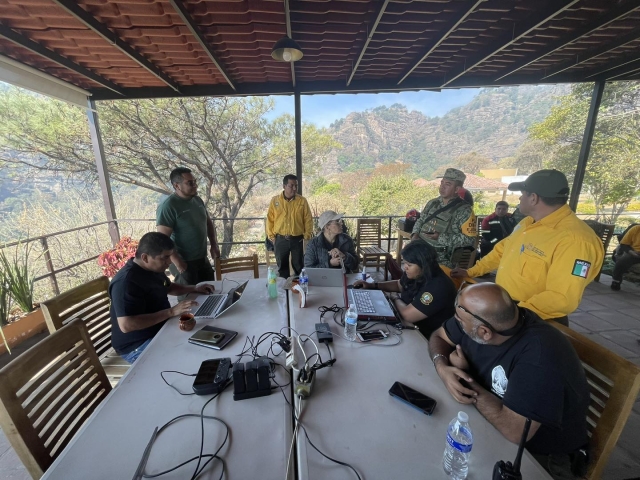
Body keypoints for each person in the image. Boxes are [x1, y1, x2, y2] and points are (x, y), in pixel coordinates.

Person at [429, 283, 589, 480]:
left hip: (539, 455)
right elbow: (439, 336)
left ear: (484, 333)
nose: (456, 323)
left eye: (460, 322)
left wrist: (464, 378)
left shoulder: (540, 355)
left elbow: (514, 430)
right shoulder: (486, 316)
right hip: (486, 422)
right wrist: (442, 367)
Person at [451, 169, 603, 325]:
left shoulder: (575, 240)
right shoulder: (528, 223)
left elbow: (561, 298)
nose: (519, 198)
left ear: (533, 198)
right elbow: (502, 251)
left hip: (533, 319)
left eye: (523, 193)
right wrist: (471, 271)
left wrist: (513, 315)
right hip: (508, 310)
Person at [109, 232, 215, 363]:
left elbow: (169, 287)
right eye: (165, 258)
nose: (169, 262)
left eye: (170, 256)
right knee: (188, 359)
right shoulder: (126, 282)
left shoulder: (152, 270)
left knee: (206, 340)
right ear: (145, 257)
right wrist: (171, 312)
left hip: (161, 329)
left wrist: (194, 288)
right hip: (137, 345)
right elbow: (126, 325)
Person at [353, 240, 457, 337]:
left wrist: (394, 297)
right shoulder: (417, 273)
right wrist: (373, 285)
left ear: (424, 265)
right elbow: (399, 285)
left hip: (423, 336)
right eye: (405, 263)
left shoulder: (438, 286)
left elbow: (407, 315)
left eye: (409, 264)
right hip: (407, 324)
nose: (405, 267)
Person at [156, 167, 220, 287]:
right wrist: (177, 261)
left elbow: (208, 223)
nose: (195, 185)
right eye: (190, 183)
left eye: (195, 182)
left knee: (210, 291)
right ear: (177, 186)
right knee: (189, 299)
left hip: (202, 258)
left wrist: (214, 244)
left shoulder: (197, 200)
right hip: (183, 261)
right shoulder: (168, 206)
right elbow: (162, 239)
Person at [411, 168, 476, 268]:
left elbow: (470, 239)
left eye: (448, 184)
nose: (442, 187)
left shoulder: (464, 211)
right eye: (442, 183)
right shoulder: (433, 203)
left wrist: (440, 237)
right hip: (422, 252)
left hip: (442, 260)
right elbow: (421, 219)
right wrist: (414, 235)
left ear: (457, 189)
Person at [266, 174, 313, 278]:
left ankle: (299, 289)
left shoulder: (302, 201)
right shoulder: (275, 201)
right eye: (291, 186)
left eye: (296, 185)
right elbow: (270, 219)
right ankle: (284, 290)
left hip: (298, 239)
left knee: (298, 265)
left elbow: (308, 219)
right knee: (282, 267)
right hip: (280, 239)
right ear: (284, 186)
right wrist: (271, 237)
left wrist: (307, 236)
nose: (294, 188)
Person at [611, 224, 640, 291]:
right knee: (624, 260)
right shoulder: (636, 229)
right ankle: (616, 281)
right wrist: (631, 252)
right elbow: (624, 244)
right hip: (634, 253)